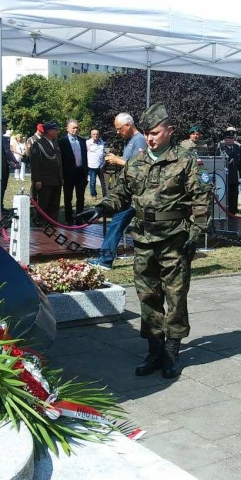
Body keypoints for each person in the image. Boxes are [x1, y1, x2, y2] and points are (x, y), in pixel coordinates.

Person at [77, 103, 212, 380]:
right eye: (148, 133)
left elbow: (201, 198)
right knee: (148, 297)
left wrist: (196, 234)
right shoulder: (137, 162)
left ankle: (172, 352)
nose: (150, 138)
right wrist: (102, 207)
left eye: (156, 133)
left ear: (169, 130)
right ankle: (154, 349)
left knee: (175, 296)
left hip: (174, 238)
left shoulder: (184, 160)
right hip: (144, 239)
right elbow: (121, 193)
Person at [86, 113, 146, 271]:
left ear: (128, 125)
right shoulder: (129, 141)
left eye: (120, 129)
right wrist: (117, 158)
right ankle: (105, 258)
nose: (118, 132)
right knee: (116, 224)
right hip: (127, 192)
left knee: (117, 224)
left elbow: (140, 167)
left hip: (134, 194)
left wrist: (118, 160)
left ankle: (105, 259)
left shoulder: (139, 140)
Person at [29, 120, 63, 222]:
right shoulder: (38, 144)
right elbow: (35, 164)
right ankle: (41, 221)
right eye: (55, 130)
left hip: (56, 179)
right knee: (44, 203)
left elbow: (59, 162)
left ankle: (53, 221)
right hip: (45, 180)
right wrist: (37, 180)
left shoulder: (55, 143)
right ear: (48, 131)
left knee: (55, 203)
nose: (57, 132)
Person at [59, 119, 88, 224]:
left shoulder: (82, 141)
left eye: (77, 128)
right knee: (68, 198)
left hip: (80, 173)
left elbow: (85, 157)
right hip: (68, 174)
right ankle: (69, 218)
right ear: (67, 129)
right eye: (73, 128)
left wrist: (86, 172)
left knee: (80, 198)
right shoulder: (62, 142)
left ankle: (80, 218)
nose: (75, 130)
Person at [218, 127, 241, 213]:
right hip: (224, 175)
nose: (230, 140)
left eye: (232, 138)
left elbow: (240, 164)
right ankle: (226, 209)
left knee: (234, 194)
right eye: (228, 138)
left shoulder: (237, 148)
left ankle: (234, 209)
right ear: (225, 139)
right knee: (227, 194)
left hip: (234, 175)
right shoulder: (221, 148)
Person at [86, 129, 107, 198]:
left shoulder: (102, 143)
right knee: (93, 181)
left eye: (97, 134)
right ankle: (93, 195)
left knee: (103, 182)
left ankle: (105, 195)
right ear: (91, 135)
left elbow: (103, 152)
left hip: (101, 165)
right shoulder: (88, 143)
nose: (96, 135)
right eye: (94, 134)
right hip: (92, 165)